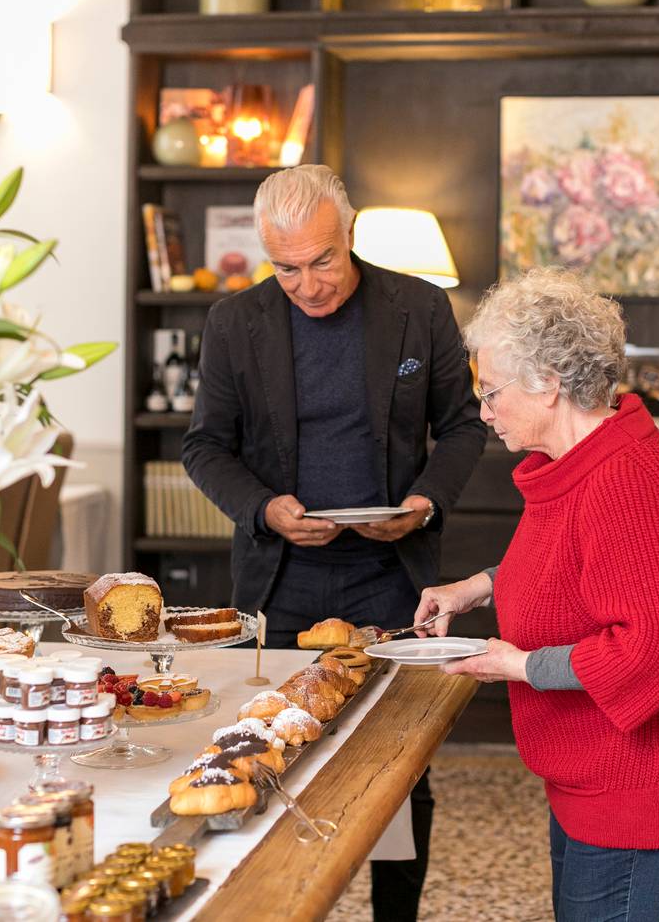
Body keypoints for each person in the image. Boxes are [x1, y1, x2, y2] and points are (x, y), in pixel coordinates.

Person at [182, 164, 486, 921]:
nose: (308, 284)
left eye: (322, 261)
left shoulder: (418, 307)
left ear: (349, 234)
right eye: (286, 267)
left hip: (391, 576)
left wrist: (423, 502)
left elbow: (462, 426)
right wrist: (263, 507)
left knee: (396, 771)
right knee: (266, 758)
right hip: (280, 581)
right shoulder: (233, 322)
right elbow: (205, 447)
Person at [413, 267, 659, 922]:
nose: (484, 410)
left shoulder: (624, 484)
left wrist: (517, 664)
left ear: (549, 384)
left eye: (492, 390)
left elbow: (655, 642)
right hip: (599, 768)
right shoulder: (587, 460)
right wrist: (479, 587)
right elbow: (575, 570)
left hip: (633, 780)